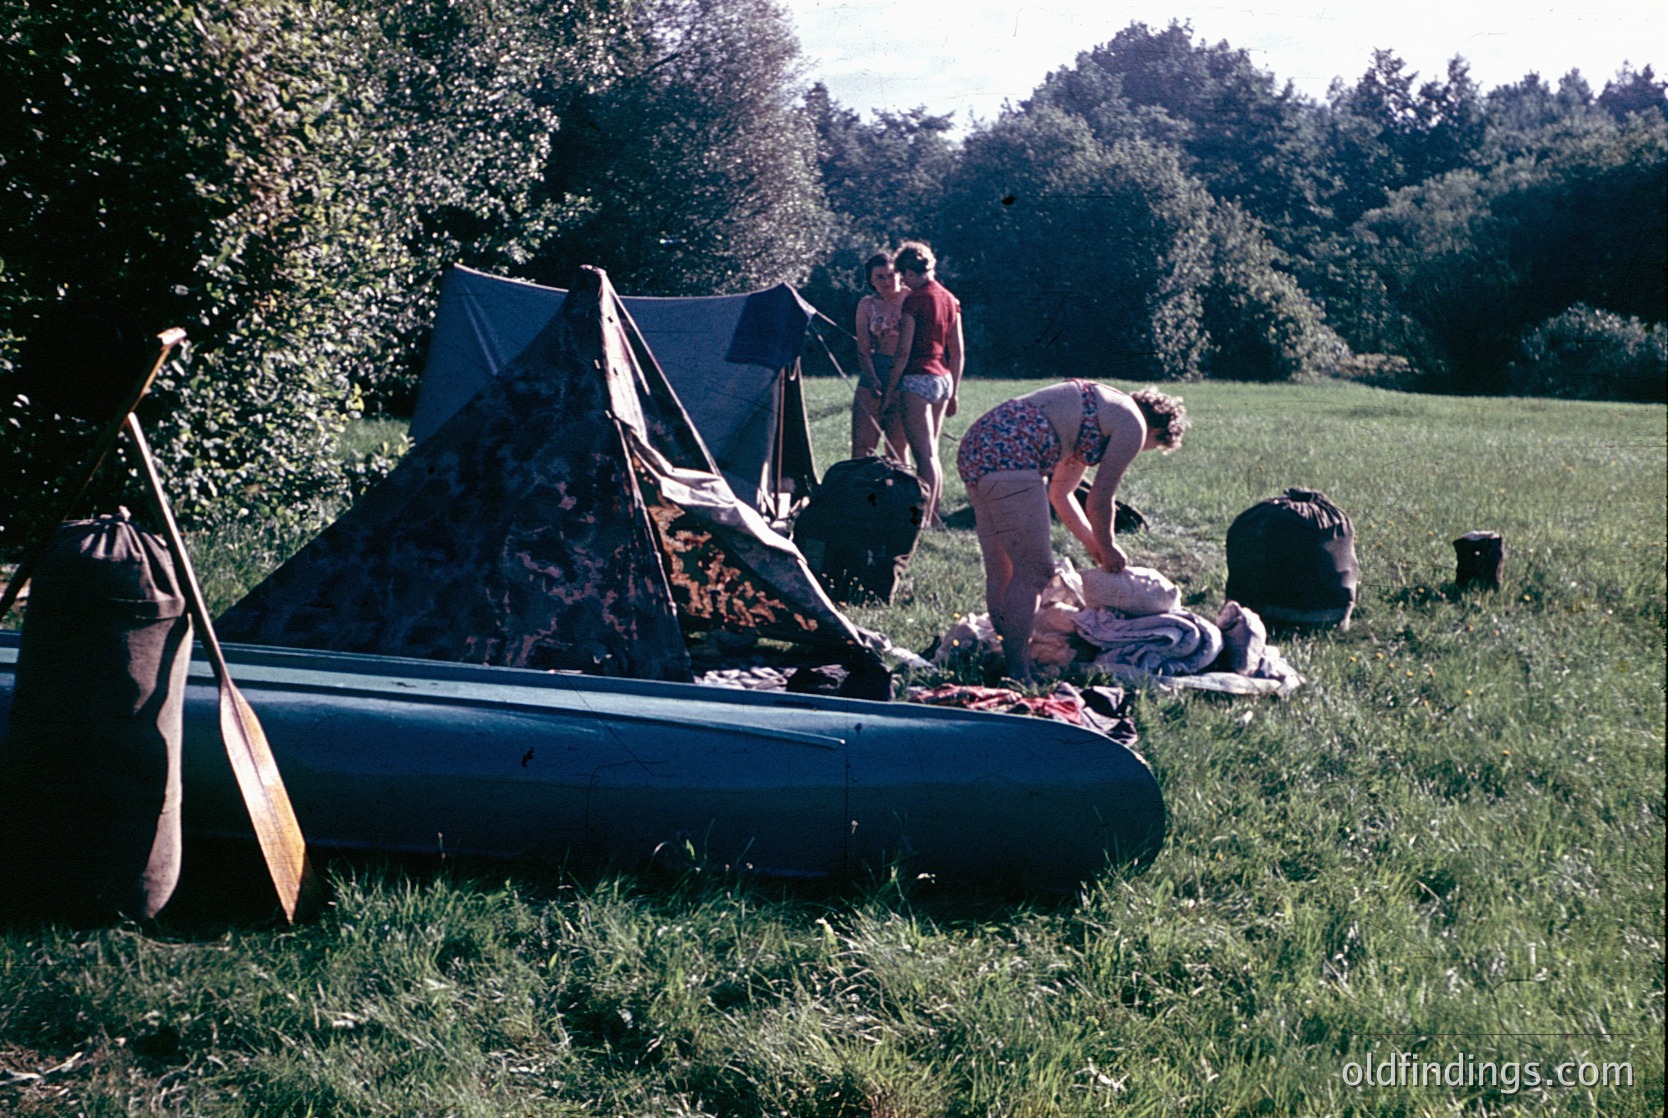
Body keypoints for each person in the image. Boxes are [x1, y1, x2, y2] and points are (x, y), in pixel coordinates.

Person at [955, 380, 1188, 679]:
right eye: (1150, 447)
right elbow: (1100, 500)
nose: (1139, 449)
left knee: (1003, 568)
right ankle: (1018, 669)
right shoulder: (1132, 425)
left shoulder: (1100, 411)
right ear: (1156, 431)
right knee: (1035, 571)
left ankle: (1006, 655)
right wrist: (1108, 548)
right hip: (1012, 450)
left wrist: (1091, 542)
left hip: (981, 441)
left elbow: (1061, 493)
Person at [886, 241, 963, 526]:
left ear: (909, 270)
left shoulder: (915, 300)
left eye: (902, 274)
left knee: (924, 455)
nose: (901, 281)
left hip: (918, 378)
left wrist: (891, 389)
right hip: (942, 379)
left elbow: (903, 350)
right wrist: (954, 390)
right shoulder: (949, 298)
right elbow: (958, 350)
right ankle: (934, 515)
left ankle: (924, 521)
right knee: (932, 453)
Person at [851, 252, 908, 459]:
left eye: (891, 275)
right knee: (862, 444)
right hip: (876, 368)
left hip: (907, 372)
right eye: (880, 277)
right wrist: (872, 377)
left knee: (897, 445)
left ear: (900, 275)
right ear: (871, 280)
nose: (887, 281)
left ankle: (901, 488)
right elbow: (863, 348)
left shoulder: (911, 298)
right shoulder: (867, 305)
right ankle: (859, 488)